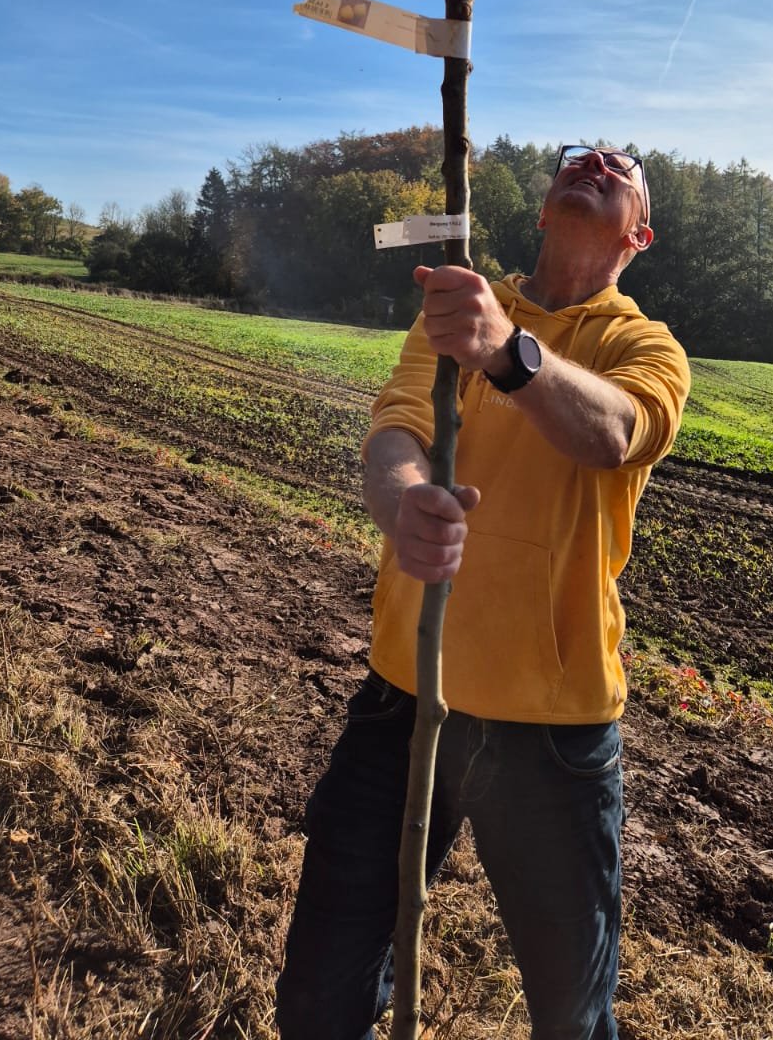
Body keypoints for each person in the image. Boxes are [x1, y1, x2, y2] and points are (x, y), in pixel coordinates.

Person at [276, 145, 690, 1040]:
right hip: (403, 696)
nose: (599, 160)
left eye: (621, 168)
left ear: (639, 235)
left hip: (552, 732)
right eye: (580, 157)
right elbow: (396, 428)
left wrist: (508, 352)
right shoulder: (459, 304)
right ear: (542, 209)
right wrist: (401, 503)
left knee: (571, 1020)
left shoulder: (641, 347)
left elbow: (615, 431)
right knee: (317, 995)